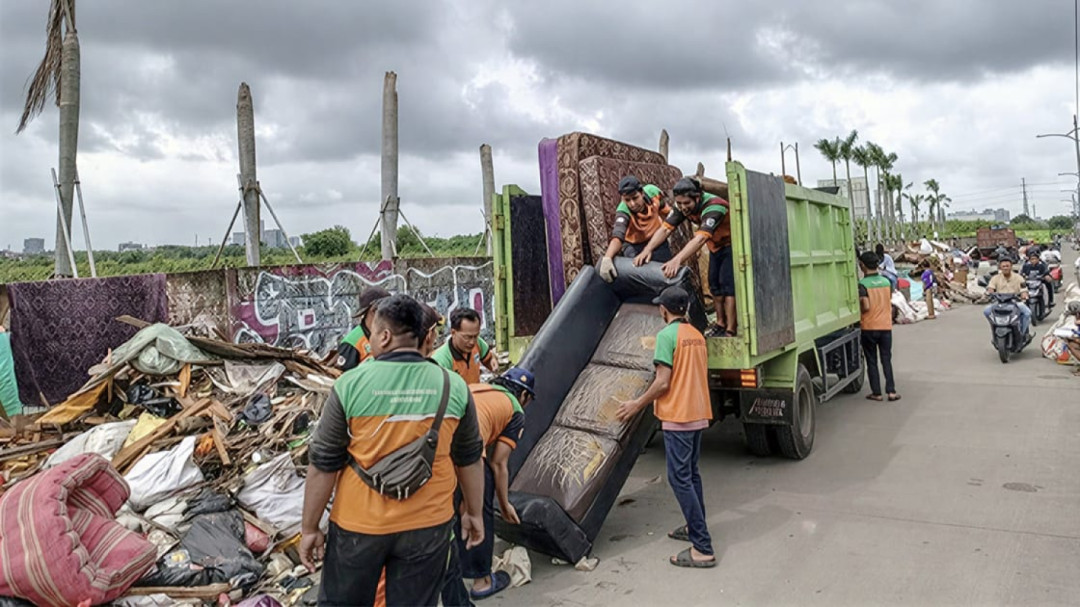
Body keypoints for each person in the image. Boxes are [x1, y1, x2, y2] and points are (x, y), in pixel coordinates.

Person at [301, 295, 487, 607]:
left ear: (384, 336)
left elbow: (323, 463)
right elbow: (469, 458)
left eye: (372, 333)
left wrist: (309, 528)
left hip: (359, 526)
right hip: (429, 526)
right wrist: (474, 512)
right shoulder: (453, 386)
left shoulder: (350, 385)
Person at [616, 286, 716, 569]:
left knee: (679, 478)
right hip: (698, 412)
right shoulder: (696, 335)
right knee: (691, 475)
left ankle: (702, 547)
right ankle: (695, 525)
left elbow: (662, 382)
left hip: (679, 416)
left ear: (664, 310)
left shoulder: (665, 337)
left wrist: (636, 404)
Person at [444, 368, 535, 602]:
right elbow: (498, 464)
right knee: (478, 509)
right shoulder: (515, 409)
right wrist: (504, 505)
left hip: (440, 448)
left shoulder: (477, 388)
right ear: (524, 395)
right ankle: (482, 581)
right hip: (468, 450)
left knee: (452, 509)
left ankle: (458, 569)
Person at [634, 176, 734, 337]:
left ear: (698, 197)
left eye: (686, 203)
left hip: (731, 246)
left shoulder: (715, 206)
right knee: (714, 284)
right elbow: (666, 229)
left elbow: (701, 238)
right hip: (715, 247)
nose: (683, 207)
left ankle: (730, 329)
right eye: (679, 203)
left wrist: (677, 259)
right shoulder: (681, 207)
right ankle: (720, 324)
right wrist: (647, 249)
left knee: (728, 286)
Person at [598, 176, 672, 282]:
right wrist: (607, 258)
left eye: (635, 198)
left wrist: (667, 229)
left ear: (641, 193)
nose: (632, 204)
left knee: (666, 273)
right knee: (640, 273)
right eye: (627, 200)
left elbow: (666, 210)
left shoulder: (653, 192)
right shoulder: (623, 211)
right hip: (634, 245)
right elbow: (617, 237)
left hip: (656, 239)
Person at [858, 252, 899, 402]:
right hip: (885, 326)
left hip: (869, 327)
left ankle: (877, 392)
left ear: (862, 265)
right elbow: (888, 300)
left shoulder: (863, 284)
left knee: (872, 360)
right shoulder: (887, 282)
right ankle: (891, 391)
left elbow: (866, 306)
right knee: (886, 359)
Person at [432, 307, 498, 384]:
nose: (472, 342)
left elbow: (489, 358)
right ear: (453, 333)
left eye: (476, 336)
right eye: (467, 337)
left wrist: (492, 361)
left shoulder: (478, 342)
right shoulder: (441, 361)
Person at [338, 286, 392, 370]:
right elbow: (344, 377)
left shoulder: (390, 334)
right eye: (388, 309)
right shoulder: (352, 343)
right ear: (374, 310)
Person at [984, 259, 1031, 338]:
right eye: (1003, 266)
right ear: (1000, 268)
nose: (1005, 268)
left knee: (1027, 313)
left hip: (1015, 302)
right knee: (986, 311)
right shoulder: (995, 278)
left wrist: (1024, 293)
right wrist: (989, 292)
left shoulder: (1019, 277)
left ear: (1011, 267)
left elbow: (1024, 289)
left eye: (1007, 266)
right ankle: (994, 327)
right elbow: (990, 288)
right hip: (999, 303)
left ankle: (1022, 333)